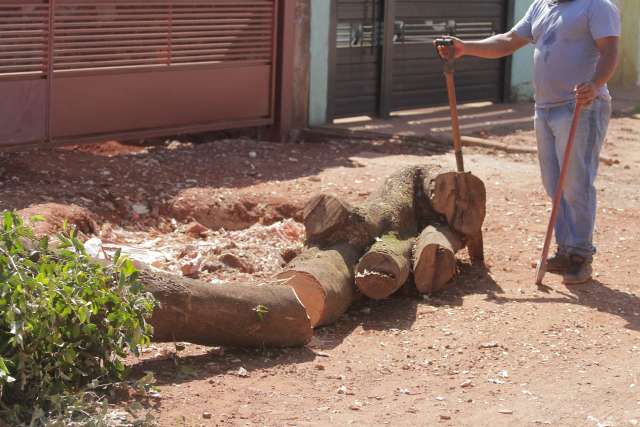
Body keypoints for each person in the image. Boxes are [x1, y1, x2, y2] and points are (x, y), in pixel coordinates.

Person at [436, 0, 621, 285]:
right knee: (554, 184)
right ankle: (565, 250)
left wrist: (595, 85)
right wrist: (466, 47)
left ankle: (580, 256)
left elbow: (610, 51)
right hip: (545, 108)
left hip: (581, 107)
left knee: (575, 183)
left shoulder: (596, 6)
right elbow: (509, 40)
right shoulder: (541, 6)